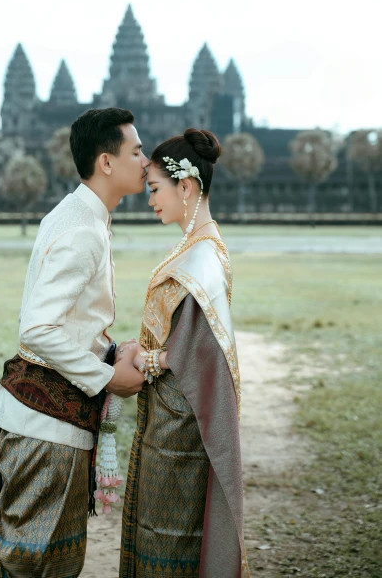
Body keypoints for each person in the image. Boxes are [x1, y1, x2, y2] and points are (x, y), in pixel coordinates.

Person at [0, 107, 148, 578]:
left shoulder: (75, 213)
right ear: (107, 162)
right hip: (46, 435)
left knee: (26, 560)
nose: (145, 159)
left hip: (31, 419)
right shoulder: (82, 228)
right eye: (136, 151)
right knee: (36, 565)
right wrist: (108, 376)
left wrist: (112, 352)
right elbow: (38, 327)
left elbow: (65, 321)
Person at [119, 128, 250, 578]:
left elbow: (192, 355)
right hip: (169, 418)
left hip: (182, 427)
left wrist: (143, 359)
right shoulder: (197, 246)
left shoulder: (203, 258)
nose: (150, 199)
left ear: (187, 187)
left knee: (172, 539)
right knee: (161, 533)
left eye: (155, 189)